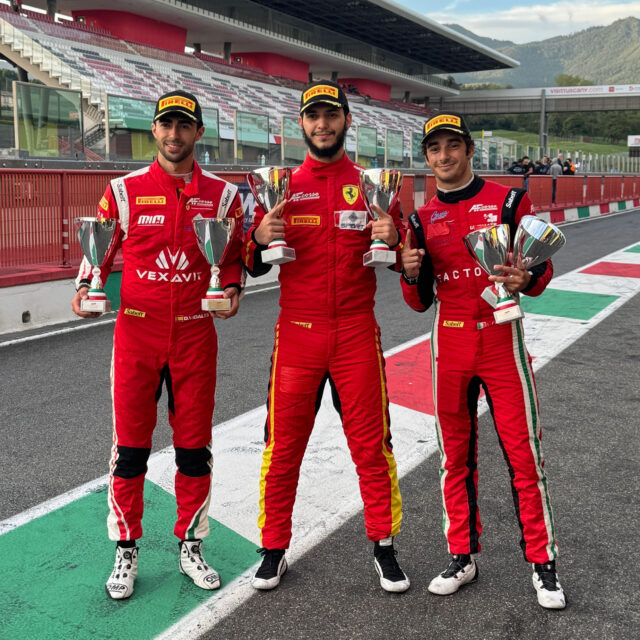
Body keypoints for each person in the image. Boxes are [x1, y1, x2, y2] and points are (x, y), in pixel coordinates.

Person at [71, 90, 245, 600]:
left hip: (195, 335)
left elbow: (232, 258)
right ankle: (126, 548)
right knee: (129, 451)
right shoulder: (122, 191)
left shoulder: (224, 196)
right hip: (137, 336)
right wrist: (84, 289)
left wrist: (233, 289)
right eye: (166, 125)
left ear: (198, 132)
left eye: (184, 125)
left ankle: (191, 544)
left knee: (194, 451)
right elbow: (98, 253)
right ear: (154, 130)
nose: (174, 134)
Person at [242, 80, 409, 593]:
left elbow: (401, 260)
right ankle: (273, 548)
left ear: (346, 122)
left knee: (372, 445)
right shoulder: (281, 185)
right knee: (282, 447)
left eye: (331, 115)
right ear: (301, 123)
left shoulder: (372, 184)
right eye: (313, 116)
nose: (322, 124)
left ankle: (384, 545)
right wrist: (257, 238)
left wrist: (395, 237)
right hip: (298, 333)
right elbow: (252, 263)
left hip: (357, 331)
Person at [399, 112, 566, 609]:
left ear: (470, 150)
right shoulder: (419, 220)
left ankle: (544, 564)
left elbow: (541, 271)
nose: (444, 156)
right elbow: (419, 302)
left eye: (453, 145)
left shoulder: (510, 201)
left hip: (501, 340)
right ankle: (461, 556)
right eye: (435, 149)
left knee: (524, 456)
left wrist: (526, 279)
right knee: (453, 457)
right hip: (448, 343)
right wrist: (409, 274)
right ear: (426, 158)